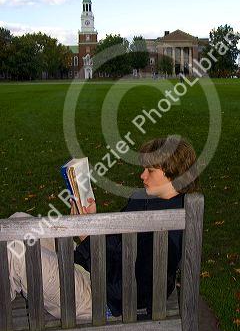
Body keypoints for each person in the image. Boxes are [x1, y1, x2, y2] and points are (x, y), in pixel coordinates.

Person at [7, 136, 198, 320]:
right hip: (89, 270)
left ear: (172, 175)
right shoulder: (146, 202)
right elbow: (117, 245)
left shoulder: (167, 228)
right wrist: (92, 221)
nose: (142, 175)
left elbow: (124, 291)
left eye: (150, 171)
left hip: (100, 299)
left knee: (17, 250)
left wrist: (88, 238)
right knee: (18, 222)